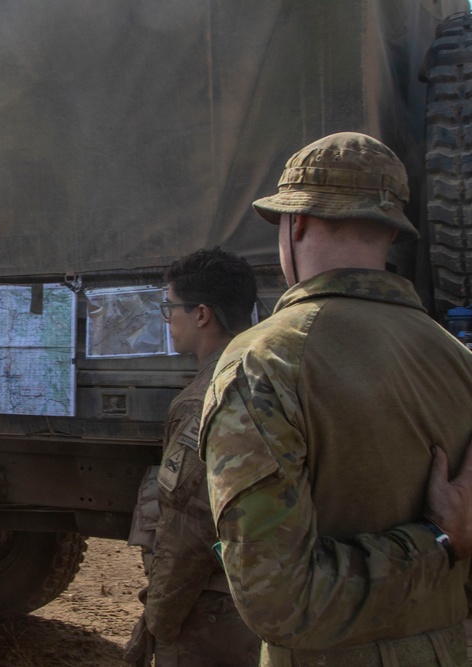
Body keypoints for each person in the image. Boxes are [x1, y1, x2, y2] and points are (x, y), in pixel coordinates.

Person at [200, 131, 472, 666]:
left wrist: (436, 540)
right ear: (388, 231)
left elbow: (279, 602)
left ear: (295, 223)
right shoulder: (456, 359)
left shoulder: (265, 360)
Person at [124, 248, 260, 667]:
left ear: (201, 314)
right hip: (261, 605)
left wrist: (157, 623)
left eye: (170, 307)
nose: (168, 320)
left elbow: (188, 533)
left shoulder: (204, 400)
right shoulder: (269, 372)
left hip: (210, 613)